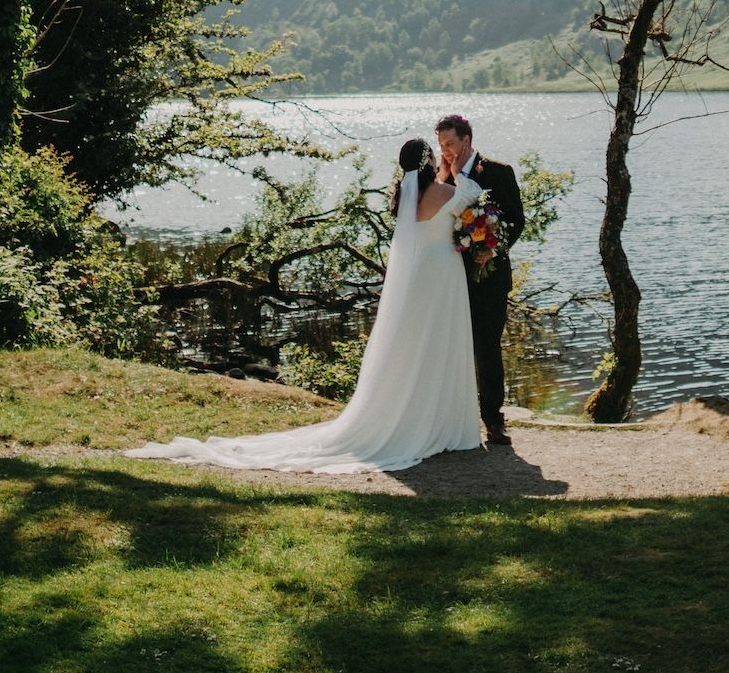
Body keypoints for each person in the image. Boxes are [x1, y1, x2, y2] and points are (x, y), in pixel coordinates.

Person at [128, 136, 483, 477]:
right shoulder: (442, 191)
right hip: (440, 272)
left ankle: (418, 417)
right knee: (439, 343)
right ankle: (439, 421)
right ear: (428, 162)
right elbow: (472, 195)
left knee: (416, 345)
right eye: (436, 155)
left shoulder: (408, 195)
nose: (441, 158)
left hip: (420, 275)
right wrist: (456, 167)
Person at [436, 111, 526, 447]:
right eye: (440, 144)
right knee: (451, 348)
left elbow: (516, 220)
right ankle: (453, 421)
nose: (445, 150)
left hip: (489, 278)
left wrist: (494, 248)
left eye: (450, 143)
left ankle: (494, 420)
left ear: (467, 141)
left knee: (487, 349)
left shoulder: (499, 172)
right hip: (450, 277)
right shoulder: (439, 178)